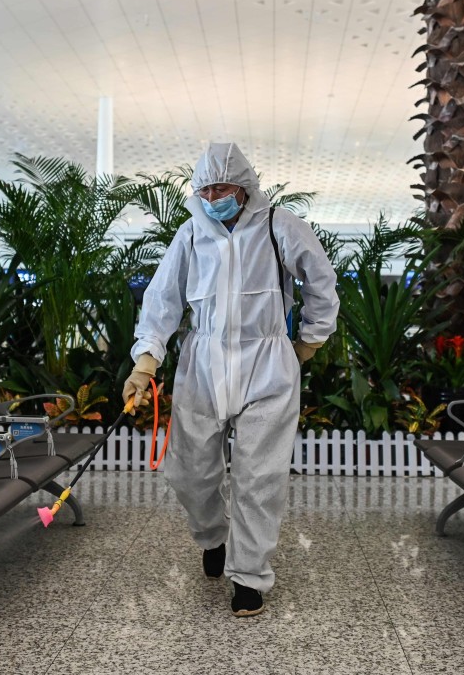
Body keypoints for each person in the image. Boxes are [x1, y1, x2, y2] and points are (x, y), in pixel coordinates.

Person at [123, 142, 339, 617]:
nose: (213, 195)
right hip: (202, 362)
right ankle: (212, 536)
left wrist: (310, 340)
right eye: (205, 188)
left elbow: (321, 282)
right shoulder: (190, 235)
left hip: (267, 362)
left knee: (259, 477)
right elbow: (162, 300)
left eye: (222, 187)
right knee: (189, 472)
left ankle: (249, 578)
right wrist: (146, 362)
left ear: (244, 187)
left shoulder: (280, 226)